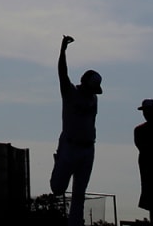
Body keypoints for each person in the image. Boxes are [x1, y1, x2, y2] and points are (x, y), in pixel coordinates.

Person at [50, 35, 101, 226]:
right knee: (57, 189)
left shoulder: (93, 98)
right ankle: (58, 162)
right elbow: (62, 73)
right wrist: (63, 51)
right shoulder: (70, 93)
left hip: (88, 148)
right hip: (70, 146)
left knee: (79, 194)